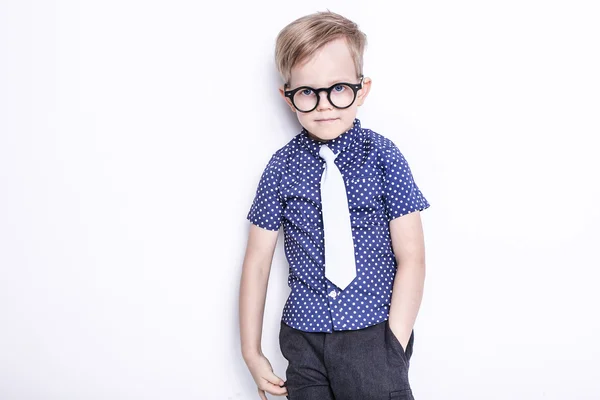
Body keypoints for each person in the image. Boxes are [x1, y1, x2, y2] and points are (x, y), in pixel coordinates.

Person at [239, 10, 431, 400]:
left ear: (362, 89)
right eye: (307, 92)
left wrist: (394, 342)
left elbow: (412, 256)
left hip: (373, 334)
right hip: (303, 339)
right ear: (288, 97)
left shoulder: (383, 157)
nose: (324, 105)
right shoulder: (281, 166)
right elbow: (257, 262)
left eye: (339, 88)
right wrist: (251, 352)